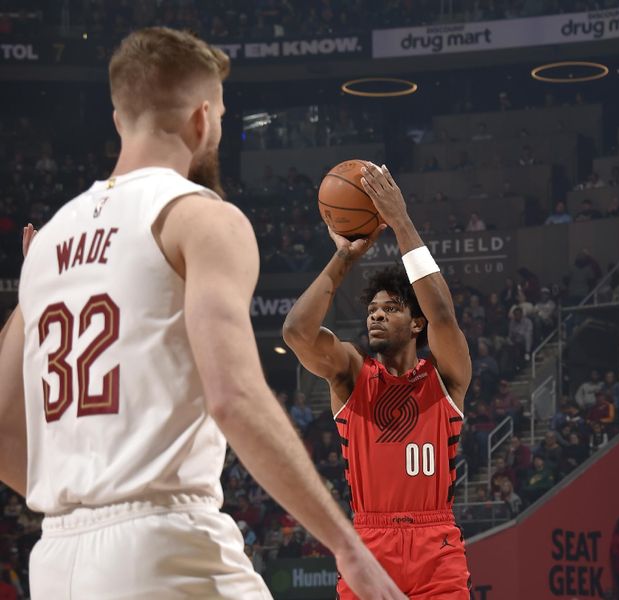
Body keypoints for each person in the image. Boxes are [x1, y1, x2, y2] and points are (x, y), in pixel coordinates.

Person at [0, 28, 403, 600]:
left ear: (120, 120)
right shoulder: (200, 218)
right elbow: (232, 397)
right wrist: (347, 545)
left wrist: (82, 502)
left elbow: (2, 428)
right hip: (163, 544)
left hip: (57, 558)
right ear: (201, 119)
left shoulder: (44, 248)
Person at [283, 162, 472, 598]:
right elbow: (296, 332)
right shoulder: (352, 374)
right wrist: (345, 256)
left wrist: (400, 220)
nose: (377, 315)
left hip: (436, 544)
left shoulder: (446, 377)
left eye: (391, 309)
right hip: (369, 542)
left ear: (417, 324)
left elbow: (443, 312)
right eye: (372, 311)